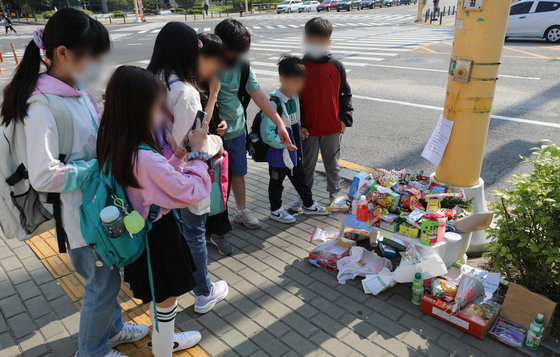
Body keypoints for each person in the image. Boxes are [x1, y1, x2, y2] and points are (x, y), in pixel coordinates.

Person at [0, 8, 149, 357]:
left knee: (106, 281)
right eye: (92, 55)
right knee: (102, 285)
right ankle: (92, 351)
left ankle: (112, 331)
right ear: (63, 53)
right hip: (81, 218)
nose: (98, 63)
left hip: (98, 208)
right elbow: (43, 174)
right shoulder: (42, 106)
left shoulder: (75, 89)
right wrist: (94, 167)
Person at [97, 65, 210, 356]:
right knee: (166, 298)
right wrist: (199, 153)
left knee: (158, 294)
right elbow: (191, 190)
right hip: (157, 236)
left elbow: (154, 186)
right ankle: (163, 347)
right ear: (139, 109)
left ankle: (165, 336)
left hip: (140, 233)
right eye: (157, 107)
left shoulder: (115, 141)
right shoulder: (144, 157)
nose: (162, 114)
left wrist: (181, 155)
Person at [146, 22, 229, 315]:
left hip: (154, 170)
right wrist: (215, 142)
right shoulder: (184, 91)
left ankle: (173, 292)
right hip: (180, 173)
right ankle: (204, 292)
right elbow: (193, 143)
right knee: (193, 231)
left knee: (175, 232)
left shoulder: (152, 79)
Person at [214, 18, 295, 230]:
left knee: (238, 172)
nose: (236, 56)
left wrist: (279, 123)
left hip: (237, 130)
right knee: (214, 179)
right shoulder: (208, 64)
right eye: (233, 51)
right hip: (213, 135)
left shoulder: (242, 65)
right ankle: (215, 217)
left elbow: (259, 97)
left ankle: (241, 211)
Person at [291, 17, 353, 213]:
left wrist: (345, 119)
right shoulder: (300, 67)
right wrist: (299, 125)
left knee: (332, 164)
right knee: (306, 165)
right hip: (307, 129)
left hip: (332, 127)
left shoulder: (336, 66)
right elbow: (293, 100)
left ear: (328, 42)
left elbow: (345, 94)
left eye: (320, 42)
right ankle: (304, 196)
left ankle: (335, 194)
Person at [261, 55, 327, 223]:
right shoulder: (273, 102)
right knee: (276, 182)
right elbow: (267, 133)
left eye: (301, 82)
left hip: (294, 150)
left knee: (300, 177)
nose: (299, 87)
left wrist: (302, 130)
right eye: (295, 82)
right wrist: (283, 144)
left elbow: (295, 120)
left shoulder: (294, 98)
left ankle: (309, 204)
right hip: (278, 152)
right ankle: (275, 210)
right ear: (282, 79)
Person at [198, 32, 234, 256]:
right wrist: (213, 94)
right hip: (195, 152)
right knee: (201, 195)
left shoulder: (207, 78)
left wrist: (222, 123)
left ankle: (217, 233)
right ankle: (201, 234)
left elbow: (213, 118)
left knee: (219, 190)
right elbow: (199, 125)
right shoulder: (189, 85)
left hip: (213, 147)